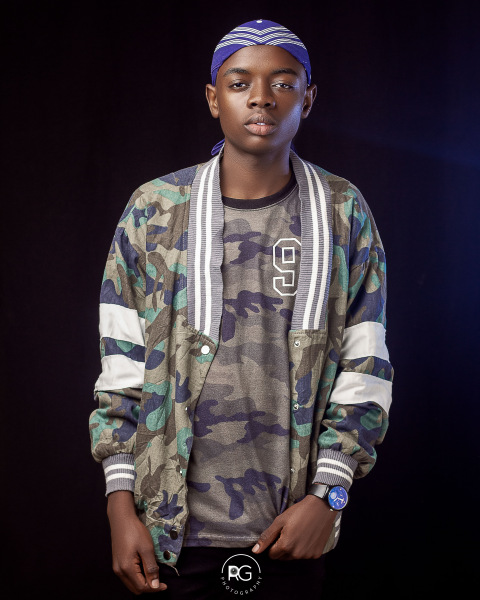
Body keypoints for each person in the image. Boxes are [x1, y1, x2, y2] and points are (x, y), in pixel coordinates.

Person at [89, 18, 393, 599]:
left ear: (307, 98)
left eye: (283, 83)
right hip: (167, 532)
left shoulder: (343, 210)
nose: (261, 97)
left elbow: (366, 365)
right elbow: (121, 366)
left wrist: (328, 497)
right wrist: (119, 506)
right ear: (213, 98)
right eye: (239, 83)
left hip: (289, 532)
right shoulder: (155, 209)